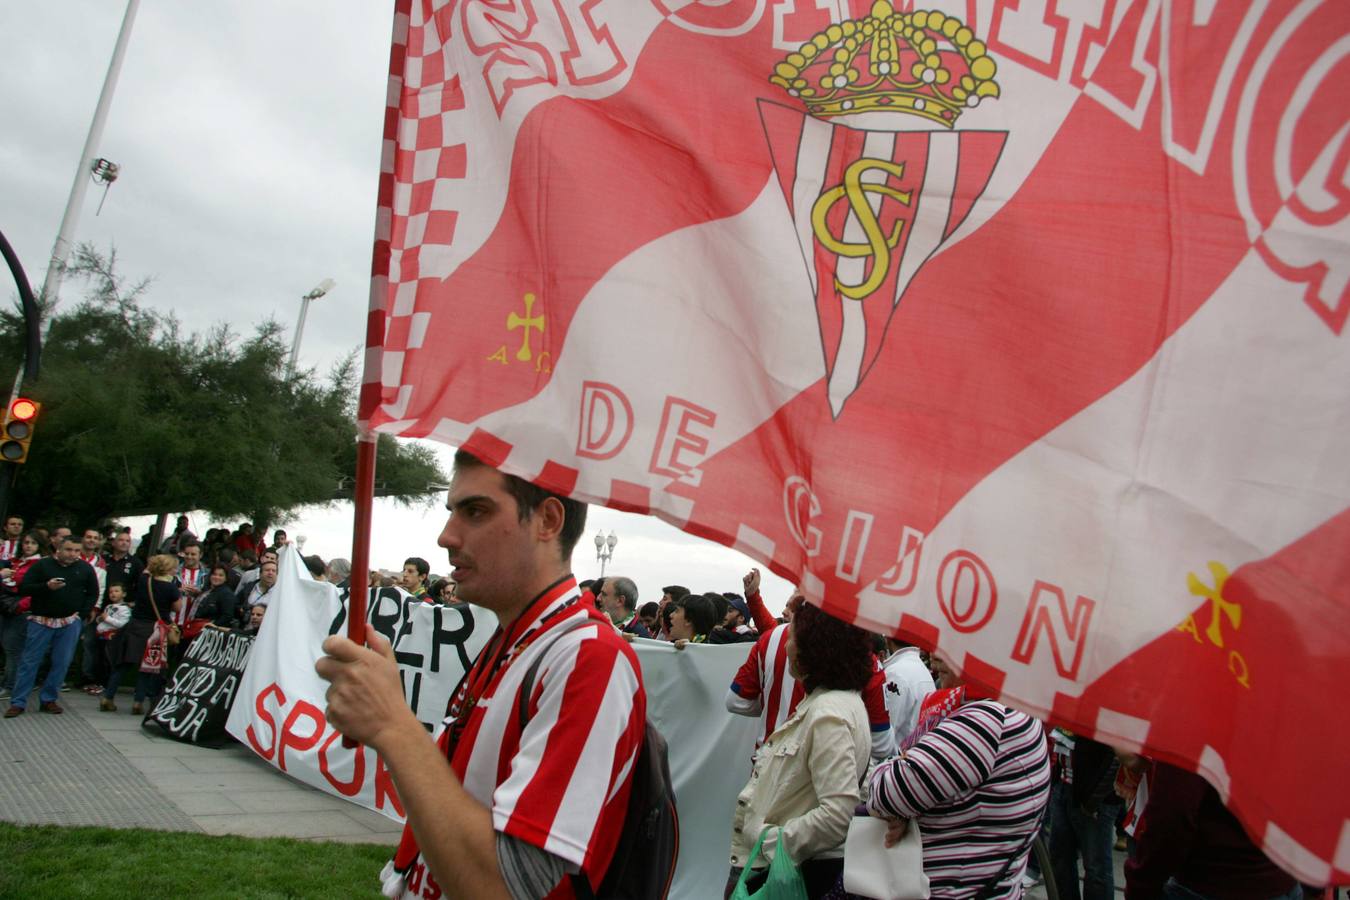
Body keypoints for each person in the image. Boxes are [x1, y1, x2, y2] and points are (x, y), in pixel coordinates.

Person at [316, 448, 646, 899]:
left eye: (475, 511)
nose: (446, 537)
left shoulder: (590, 659)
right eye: (452, 511)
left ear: (548, 521)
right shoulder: (517, 638)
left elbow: (504, 887)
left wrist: (391, 724)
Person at [866, 652, 1052, 898]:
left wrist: (899, 795)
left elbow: (884, 792)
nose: (936, 654)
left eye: (952, 646)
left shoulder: (986, 722)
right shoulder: (1009, 709)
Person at [727, 601, 874, 899]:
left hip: (786, 873)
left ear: (815, 648)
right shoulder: (831, 704)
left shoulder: (828, 713)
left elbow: (837, 813)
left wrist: (771, 840)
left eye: (792, 638)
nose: (786, 648)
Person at [1124, 760, 1301, 900]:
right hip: (1282, 877)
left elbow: (1172, 814)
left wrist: (1140, 887)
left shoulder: (1193, 720)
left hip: (1212, 881)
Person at [5, 536, 100, 717]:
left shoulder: (85, 568)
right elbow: (24, 588)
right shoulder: (43, 565)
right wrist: (46, 586)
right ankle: (18, 702)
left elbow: (93, 593)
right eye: (69, 550)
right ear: (59, 549)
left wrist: (82, 613)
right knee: (29, 662)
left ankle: (48, 699)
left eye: (76, 551)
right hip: (41, 621)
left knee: (61, 663)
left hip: (69, 622)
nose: (73, 554)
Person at [101, 554, 182, 714]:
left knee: (122, 665)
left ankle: (108, 697)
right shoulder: (171, 588)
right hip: (154, 631)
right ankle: (138, 702)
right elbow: (177, 608)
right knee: (147, 668)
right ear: (167, 569)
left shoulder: (145, 580)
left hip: (135, 626)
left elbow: (146, 571)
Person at [0, 531, 44, 701]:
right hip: (7, 608)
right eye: (26, 542)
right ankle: (8, 683)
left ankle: (11, 686)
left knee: (14, 649)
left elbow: (37, 590)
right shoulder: (16, 562)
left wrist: (20, 605)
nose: (28, 546)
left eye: (33, 543)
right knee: (8, 648)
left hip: (21, 611)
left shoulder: (40, 564)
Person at [880, 635, 935, 745]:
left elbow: (886, 732)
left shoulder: (895, 673)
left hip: (900, 755)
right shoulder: (920, 667)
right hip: (918, 751)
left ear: (888, 640)